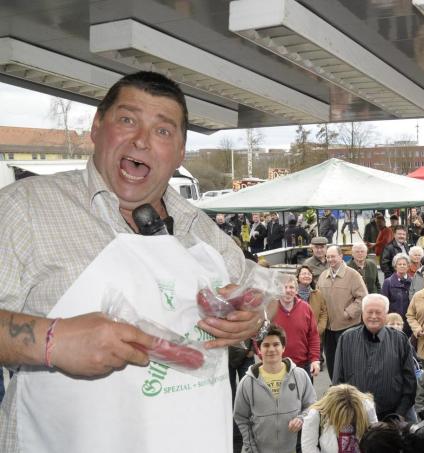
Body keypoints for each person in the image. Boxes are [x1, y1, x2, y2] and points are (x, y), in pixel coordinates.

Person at [0, 71, 263, 452]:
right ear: (96, 127)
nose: (141, 139)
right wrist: (51, 341)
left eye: (162, 130)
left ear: (180, 152)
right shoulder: (24, 209)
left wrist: (254, 316)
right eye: (127, 119)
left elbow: (257, 292)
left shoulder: (201, 229)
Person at [234, 324, 316, 453]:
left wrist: (301, 418)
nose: (271, 349)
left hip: (295, 449)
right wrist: (251, 448)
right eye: (266, 345)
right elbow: (241, 417)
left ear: (283, 347)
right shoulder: (247, 382)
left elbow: (312, 406)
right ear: (259, 349)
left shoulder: (300, 376)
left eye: (276, 344)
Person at [332, 294, 416, 419]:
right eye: (369, 312)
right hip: (355, 416)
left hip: (392, 417)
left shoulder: (400, 340)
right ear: (362, 313)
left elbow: (410, 384)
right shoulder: (347, 339)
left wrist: (398, 415)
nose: (374, 316)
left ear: (386, 314)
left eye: (378, 312)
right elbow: (337, 382)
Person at [319, 245, 368, 380]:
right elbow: (319, 300)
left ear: (341, 256)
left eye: (333, 256)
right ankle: (335, 386)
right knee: (331, 361)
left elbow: (363, 297)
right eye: (328, 257)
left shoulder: (353, 275)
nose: (330, 259)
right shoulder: (323, 276)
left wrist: (348, 312)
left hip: (348, 326)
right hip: (329, 328)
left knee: (349, 361)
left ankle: (350, 388)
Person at [301, 384, 377, 453]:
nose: (348, 421)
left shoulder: (366, 407)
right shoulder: (315, 415)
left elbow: (375, 439)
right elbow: (309, 448)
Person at [271, 276, 321, 378]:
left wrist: (315, 360)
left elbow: (313, 336)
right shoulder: (270, 309)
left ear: (296, 290)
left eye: (291, 287)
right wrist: (263, 357)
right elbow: (259, 337)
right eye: (284, 287)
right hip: (276, 366)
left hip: (303, 366)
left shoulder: (305, 308)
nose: (288, 290)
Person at [382, 253, 413, 331]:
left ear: (408, 266)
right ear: (395, 266)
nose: (402, 266)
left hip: (409, 321)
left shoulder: (413, 282)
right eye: (399, 264)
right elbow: (384, 303)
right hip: (393, 322)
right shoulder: (388, 282)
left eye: (404, 264)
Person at [297, 265, 328, 339]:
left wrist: (318, 330)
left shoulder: (318, 294)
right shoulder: (292, 294)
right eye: (304, 274)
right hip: (296, 336)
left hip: (314, 336)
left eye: (309, 274)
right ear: (298, 277)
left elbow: (323, 313)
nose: (306, 276)